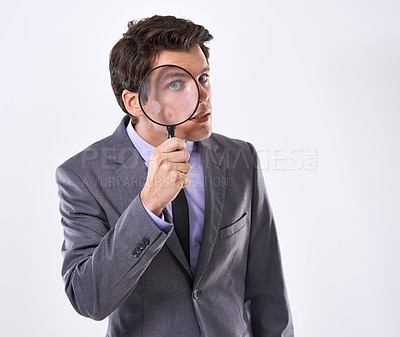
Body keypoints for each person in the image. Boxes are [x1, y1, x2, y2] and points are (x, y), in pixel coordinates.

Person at [55, 15, 294, 337]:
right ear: (135, 102)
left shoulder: (240, 158)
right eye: (176, 83)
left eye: (204, 77)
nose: (202, 96)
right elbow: (89, 299)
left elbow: (267, 287)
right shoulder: (83, 175)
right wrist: (148, 204)